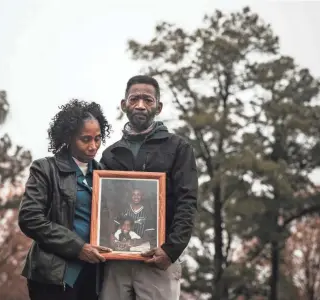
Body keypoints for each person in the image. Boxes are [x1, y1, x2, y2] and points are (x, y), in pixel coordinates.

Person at [100, 75, 198, 300]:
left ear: (159, 107)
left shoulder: (178, 148)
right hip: (116, 260)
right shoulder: (110, 155)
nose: (141, 105)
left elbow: (188, 202)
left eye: (148, 100)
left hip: (158, 259)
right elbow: (104, 207)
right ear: (124, 105)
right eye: (134, 99)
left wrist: (171, 250)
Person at [18, 99, 112, 300]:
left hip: (94, 277)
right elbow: (30, 218)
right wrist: (78, 248)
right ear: (68, 138)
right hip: (52, 276)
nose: (93, 146)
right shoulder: (45, 169)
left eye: (98, 138)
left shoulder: (106, 175)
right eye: (85, 139)